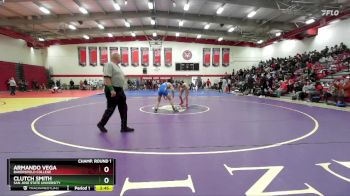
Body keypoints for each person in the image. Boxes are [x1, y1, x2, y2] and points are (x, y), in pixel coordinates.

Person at [97, 53, 134, 133]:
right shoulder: (109, 64)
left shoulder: (117, 66)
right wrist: (111, 89)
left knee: (123, 108)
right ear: (116, 57)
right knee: (111, 108)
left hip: (120, 90)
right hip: (113, 89)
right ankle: (101, 124)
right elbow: (107, 77)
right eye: (120, 57)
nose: (121, 58)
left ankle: (124, 127)